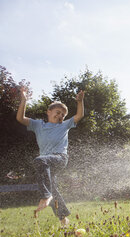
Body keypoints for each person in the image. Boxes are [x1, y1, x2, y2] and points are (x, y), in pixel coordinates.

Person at [16, 87, 84, 226]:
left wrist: (80, 102)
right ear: (48, 112)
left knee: (40, 161)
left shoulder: (65, 125)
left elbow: (79, 116)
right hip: (45, 165)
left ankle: (45, 196)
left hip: (59, 158)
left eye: (63, 115)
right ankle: (64, 219)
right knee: (52, 188)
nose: (60, 116)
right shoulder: (38, 125)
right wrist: (23, 100)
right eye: (57, 112)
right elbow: (20, 118)